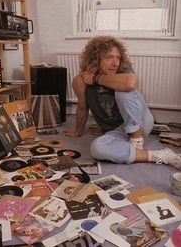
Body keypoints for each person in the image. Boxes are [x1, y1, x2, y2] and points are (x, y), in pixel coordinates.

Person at [65, 35, 181, 169]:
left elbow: (130, 83)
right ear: (95, 59)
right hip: (116, 130)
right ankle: (159, 155)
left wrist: (95, 78)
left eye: (117, 57)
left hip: (140, 122)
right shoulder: (81, 81)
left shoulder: (123, 70)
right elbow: (82, 108)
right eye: (108, 57)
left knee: (122, 89)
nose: (115, 63)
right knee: (96, 148)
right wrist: (78, 131)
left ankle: (137, 141)